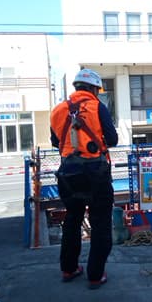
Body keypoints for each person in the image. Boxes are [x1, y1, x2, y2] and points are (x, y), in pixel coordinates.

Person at [50, 68, 118, 289]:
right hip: (95, 172)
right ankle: (95, 275)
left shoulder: (58, 109)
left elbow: (55, 141)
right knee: (100, 222)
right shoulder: (97, 107)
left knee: (72, 219)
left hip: (68, 173)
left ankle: (69, 269)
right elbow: (112, 139)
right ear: (93, 89)